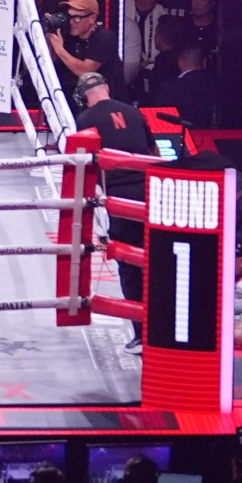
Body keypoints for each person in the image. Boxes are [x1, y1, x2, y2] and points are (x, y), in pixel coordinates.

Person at [74, 72, 158, 348]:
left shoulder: (87, 120)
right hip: (149, 193)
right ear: (107, 88)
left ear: (84, 99)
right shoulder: (134, 112)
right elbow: (154, 153)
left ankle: (142, 333)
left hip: (120, 200)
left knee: (130, 264)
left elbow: (84, 163)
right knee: (156, 262)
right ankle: (161, 331)